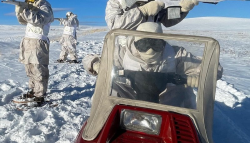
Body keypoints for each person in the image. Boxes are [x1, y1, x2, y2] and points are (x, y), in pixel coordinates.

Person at [84, 23, 222, 108]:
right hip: (128, 102)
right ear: (136, 44)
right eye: (144, 45)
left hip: (167, 105)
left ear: (162, 43)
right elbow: (88, 59)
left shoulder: (176, 55)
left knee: (185, 92)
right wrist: (96, 64)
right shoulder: (122, 53)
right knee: (109, 85)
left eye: (155, 44)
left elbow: (212, 66)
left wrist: (196, 77)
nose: (150, 50)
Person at [15, 0, 54, 106]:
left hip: (38, 41)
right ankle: (34, 90)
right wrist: (19, 11)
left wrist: (25, 10)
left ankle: (40, 94)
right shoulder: (32, 9)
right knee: (30, 67)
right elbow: (23, 21)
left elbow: (38, 20)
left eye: (31, 0)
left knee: (38, 68)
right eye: (27, 1)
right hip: (28, 41)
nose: (29, 3)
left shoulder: (45, 6)